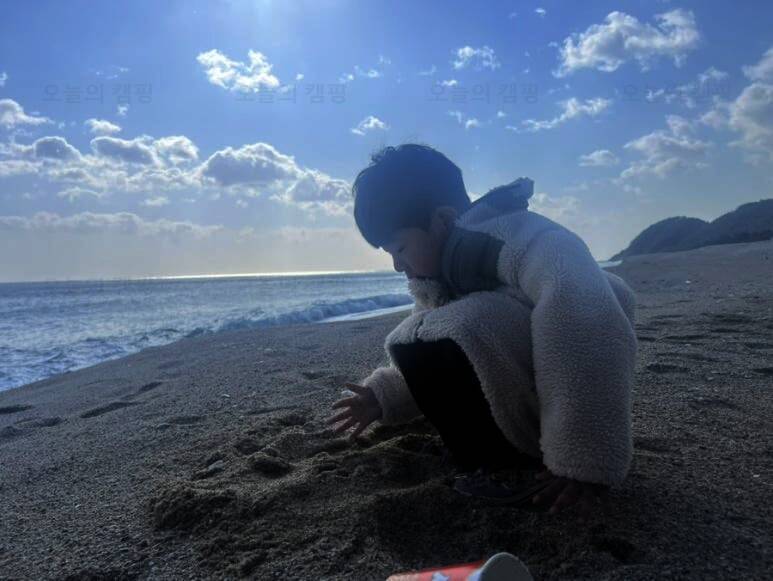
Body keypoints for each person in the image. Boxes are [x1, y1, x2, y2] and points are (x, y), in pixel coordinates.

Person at [326, 143, 637, 516]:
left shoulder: (528, 240)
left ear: (442, 221)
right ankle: (492, 458)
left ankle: (522, 460)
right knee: (421, 333)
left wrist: (583, 457)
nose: (397, 265)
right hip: (523, 405)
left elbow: (585, 318)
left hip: (568, 412)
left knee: (456, 326)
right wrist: (385, 396)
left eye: (401, 248)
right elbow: (434, 352)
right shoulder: (441, 277)